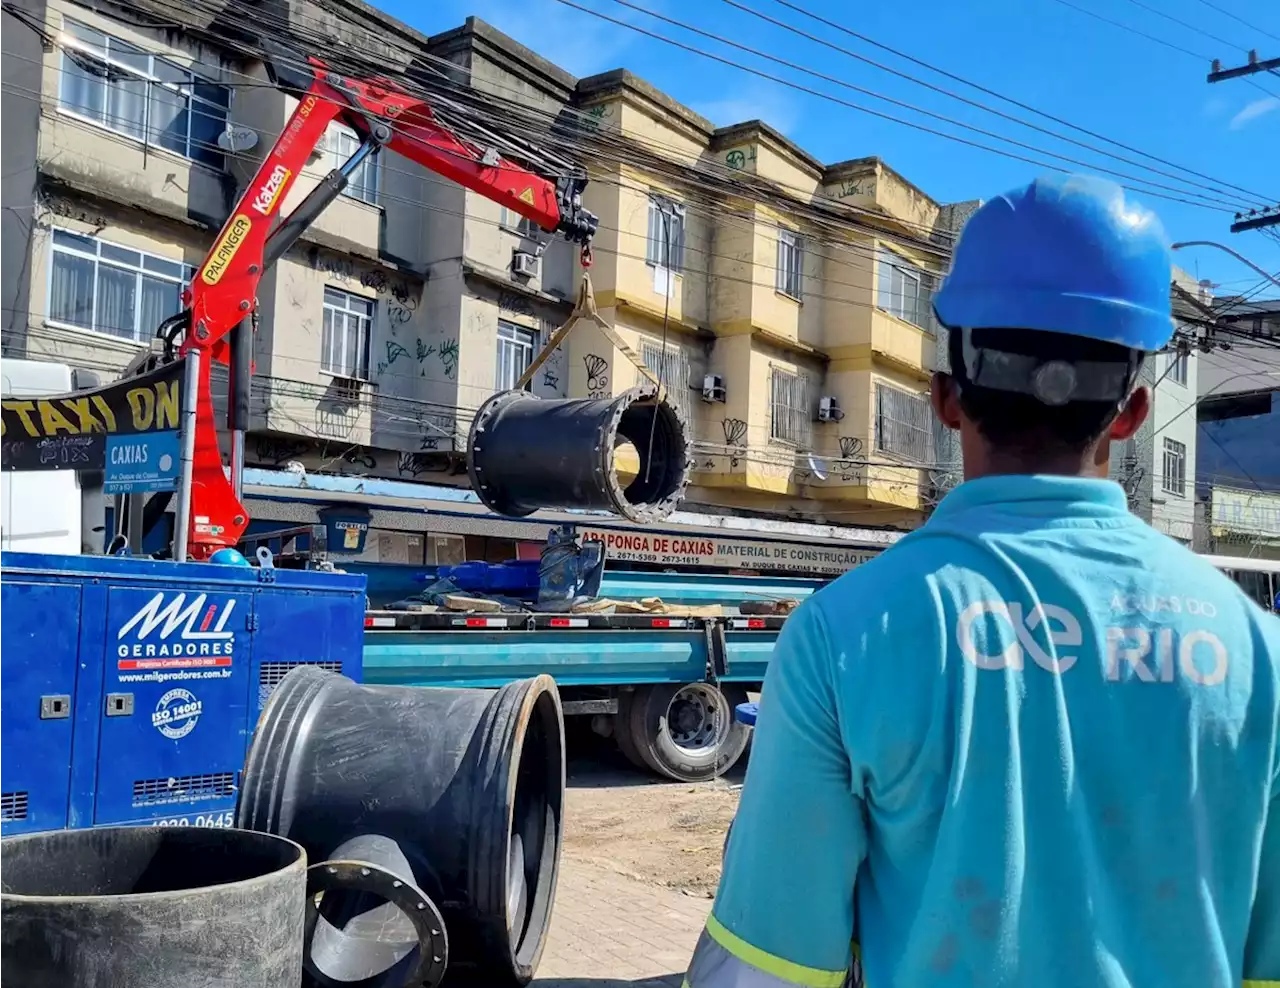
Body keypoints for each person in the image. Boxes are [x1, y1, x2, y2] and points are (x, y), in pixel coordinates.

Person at [685, 174, 1280, 988]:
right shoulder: (1261, 653)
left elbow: (768, 970)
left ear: (944, 399)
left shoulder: (842, 636)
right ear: (1135, 412)